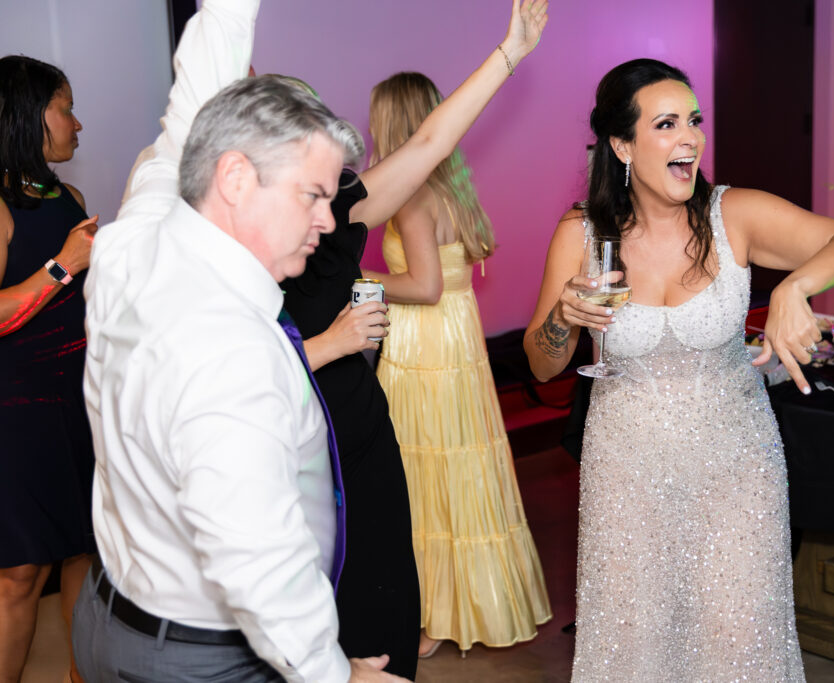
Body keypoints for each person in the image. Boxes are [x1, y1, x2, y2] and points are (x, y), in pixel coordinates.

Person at [523, 58, 834, 681]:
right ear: (622, 144)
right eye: (666, 124)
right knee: (634, 637)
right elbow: (543, 364)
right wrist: (565, 313)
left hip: (736, 469)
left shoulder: (733, 215)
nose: (689, 137)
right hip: (625, 473)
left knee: (738, 637)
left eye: (694, 120)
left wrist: (797, 287)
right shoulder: (581, 233)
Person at [73, 2, 402, 681]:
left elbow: (188, 111)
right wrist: (335, 673)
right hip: (208, 657)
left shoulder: (137, 237)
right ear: (235, 179)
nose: (326, 217)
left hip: (109, 619)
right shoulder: (228, 351)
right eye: (312, 194)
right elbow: (260, 564)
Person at [281, 0, 549, 668]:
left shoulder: (344, 207)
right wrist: (328, 344)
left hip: (360, 417)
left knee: (385, 583)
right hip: (300, 422)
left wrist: (508, 55)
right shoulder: (239, 237)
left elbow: (430, 143)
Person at [362, 70, 552, 657]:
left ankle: (430, 616)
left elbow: (423, 287)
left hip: (426, 347)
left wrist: (360, 279)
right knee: (459, 470)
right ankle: (471, 601)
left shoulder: (412, 196)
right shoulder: (449, 188)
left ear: (392, 122)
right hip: (456, 344)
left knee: (423, 477)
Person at [0, 54, 98, 683]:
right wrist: (64, 263)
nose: (77, 122)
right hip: (15, 411)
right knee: (18, 574)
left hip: (79, 401)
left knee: (85, 557)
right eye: (65, 106)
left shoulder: (72, 196)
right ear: (32, 115)